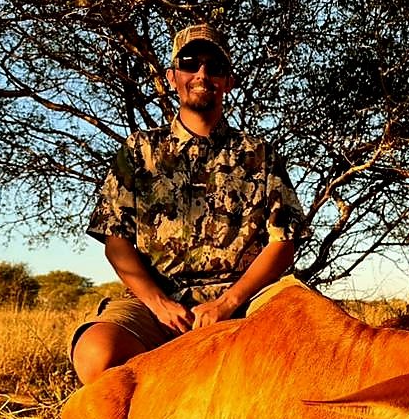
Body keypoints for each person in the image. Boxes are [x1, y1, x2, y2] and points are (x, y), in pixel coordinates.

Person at [69, 23, 306, 385]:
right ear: (171, 77)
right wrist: (158, 304)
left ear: (228, 81)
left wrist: (228, 303)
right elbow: (115, 240)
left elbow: (283, 244)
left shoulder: (260, 155)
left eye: (215, 67)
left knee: (311, 339)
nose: (202, 74)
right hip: (161, 303)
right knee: (96, 353)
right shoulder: (139, 151)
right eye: (191, 64)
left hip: (248, 300)